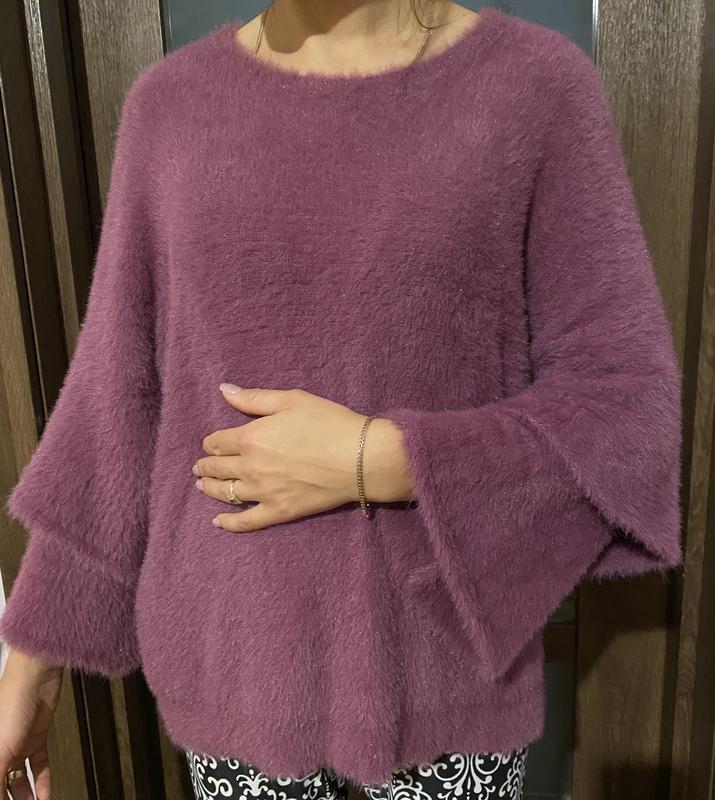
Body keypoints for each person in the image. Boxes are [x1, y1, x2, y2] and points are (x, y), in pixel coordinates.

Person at [0, 2, 683, 799]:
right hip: (235, 671)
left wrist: (379, 459)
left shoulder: (533, 88)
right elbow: (115, 397)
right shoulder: (170, 107)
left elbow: (624, 407)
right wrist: (31, 663)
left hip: (443, 667)